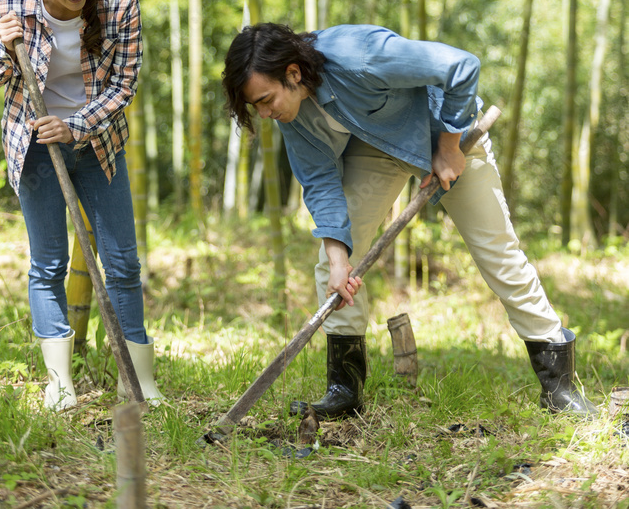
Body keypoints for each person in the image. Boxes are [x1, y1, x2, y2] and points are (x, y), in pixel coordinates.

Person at [223, 22, 597, 420]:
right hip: (375, 149)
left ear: (293, 73)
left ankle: (559, 387)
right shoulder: (291, 116)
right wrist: (339, 261)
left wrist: (450, 147)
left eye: (266, 99)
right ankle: (344, 390)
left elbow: (461, 66)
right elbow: (319, 181)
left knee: (497, 254)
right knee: (332, 259)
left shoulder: (360, 54)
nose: (264, 113)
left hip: (448, 136)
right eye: (255, 107)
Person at [0, 0, 163, 410]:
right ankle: (61, 385)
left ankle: (137, 381)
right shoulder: (10, 6)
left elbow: (124, 86)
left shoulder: (119, 2)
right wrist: (5, 49)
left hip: (98, 142)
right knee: (48, 264)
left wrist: (76, 126)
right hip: (35, 147)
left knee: (122, 263)